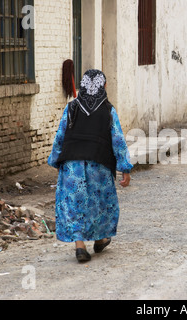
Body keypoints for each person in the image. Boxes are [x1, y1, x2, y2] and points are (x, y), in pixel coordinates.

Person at [48, 69, 133, 263]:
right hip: (99, 165)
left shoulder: (71, 108)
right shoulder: (108, 110)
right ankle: (101, 238)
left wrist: (55, 160)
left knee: (74, 204)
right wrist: (125, 168)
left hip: (72, 166)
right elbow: (118, 141)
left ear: (83, 85)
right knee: (100, 204)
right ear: (103, 86)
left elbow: (60, 137)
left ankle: (80, 247)